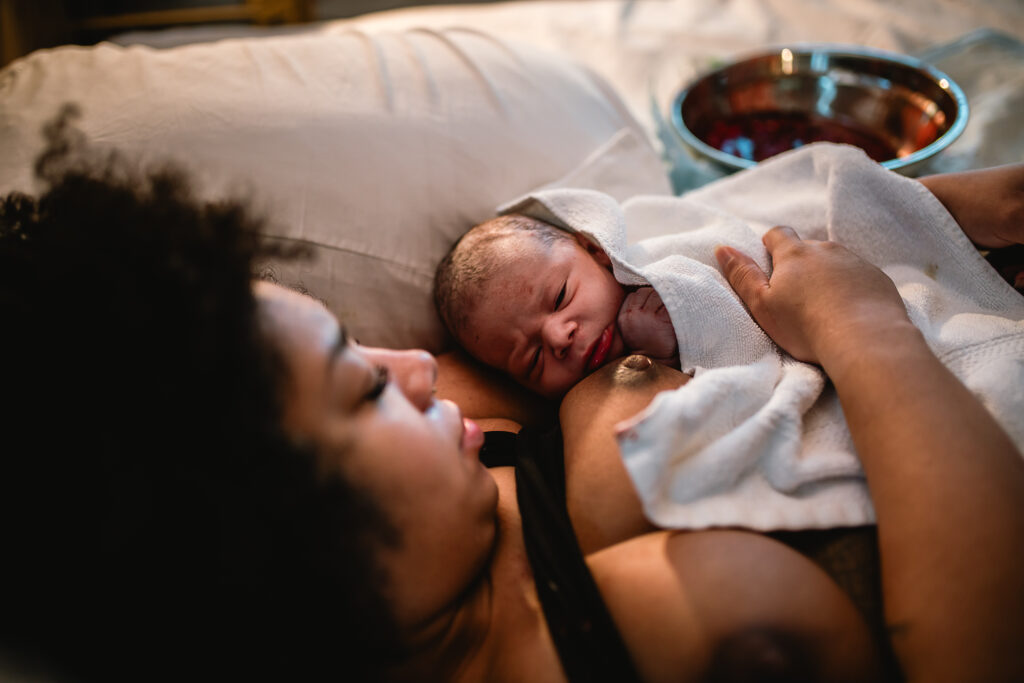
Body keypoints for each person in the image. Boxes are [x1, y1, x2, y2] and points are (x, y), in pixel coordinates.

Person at [2, 111, 1023, 683]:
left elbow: (639, 261)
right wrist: (864, 331)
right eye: (359, 386)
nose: (406, 358)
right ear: (278, 552)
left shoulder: (445, 442)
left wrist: (922, 213)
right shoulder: (667, 640)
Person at [434, 163, 1024, 399]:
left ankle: (946, 209)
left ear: (593, 248)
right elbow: (721, 393)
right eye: (532, 359)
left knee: (855, 207)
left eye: (560, 298)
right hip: (856, 347)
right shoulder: (608, 379)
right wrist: (673, 348)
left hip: (834, 271)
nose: (560, 336)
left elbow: (739, 229)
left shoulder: (652, 239)